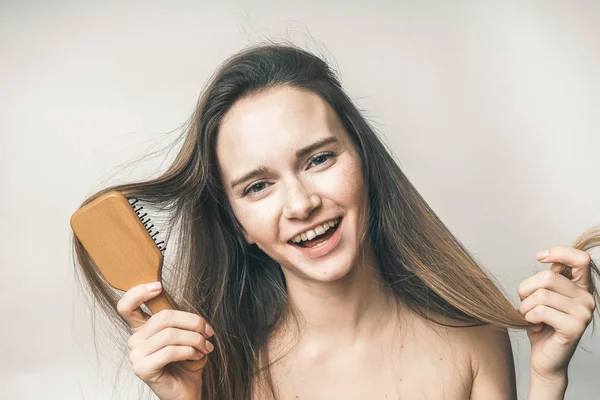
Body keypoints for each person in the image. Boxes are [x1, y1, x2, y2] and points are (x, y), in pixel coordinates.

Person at [72, 43, 599, 400]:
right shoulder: (219, 369)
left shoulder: (472, 337)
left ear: (363, 161)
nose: (300, 204)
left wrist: (547, 378)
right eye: (258, 186)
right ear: (236, 224)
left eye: (319, 159)